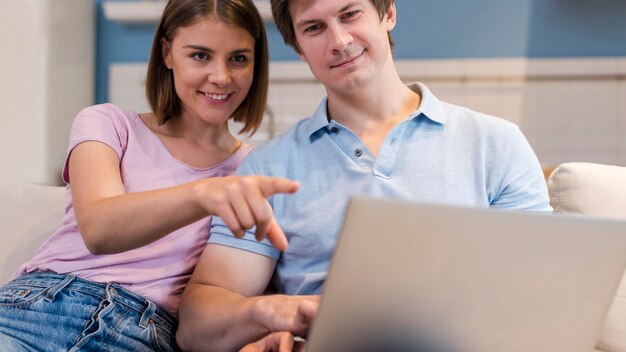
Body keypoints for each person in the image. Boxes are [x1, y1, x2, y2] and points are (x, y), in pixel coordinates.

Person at [176, 0, 552, 351]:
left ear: (388, 12)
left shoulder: (496, 143)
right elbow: (195, 326)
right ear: (299, 49)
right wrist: (267, 313)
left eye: (350, 14)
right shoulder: (268, 169)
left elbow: (542, 291)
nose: (338, 41)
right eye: (313, 28)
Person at [0, 0, 299, 351]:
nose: (221, 76)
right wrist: (206, 194)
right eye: (200, 55)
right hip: (37, 308)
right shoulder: (109, 124)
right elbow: (99, 229)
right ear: (167, 53)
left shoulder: (255, 172)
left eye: (238, 58)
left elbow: (235, 290)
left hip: (143, 333)